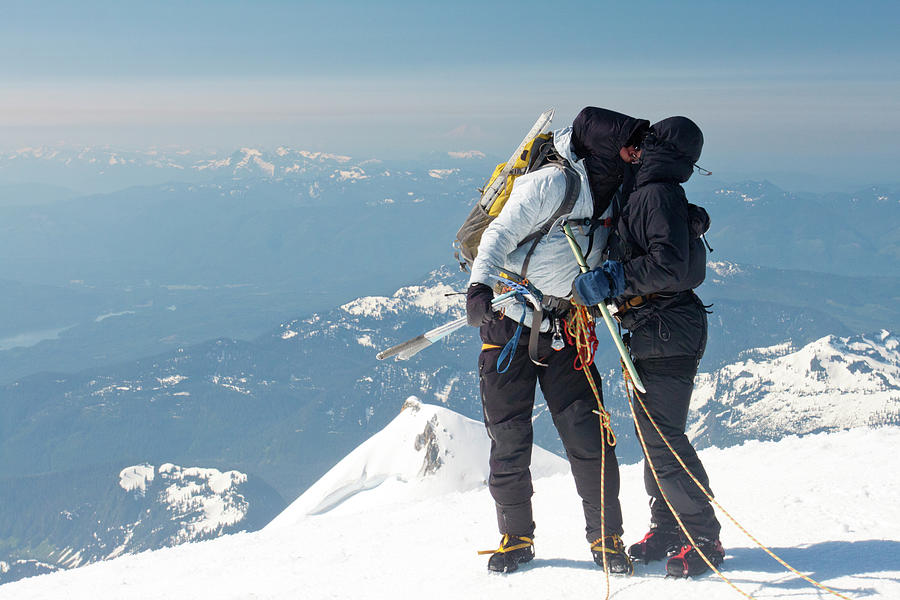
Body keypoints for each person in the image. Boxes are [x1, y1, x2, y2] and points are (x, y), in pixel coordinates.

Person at [466, 107, 649, 573]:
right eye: (630, 144)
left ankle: (607, 539)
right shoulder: (553, 183)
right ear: (606, 146)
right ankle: (515, 536)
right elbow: (499, 234)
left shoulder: (618, 187)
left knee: (590, 436)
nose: (637, 152)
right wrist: (479, 287)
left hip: (568, 325)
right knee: (509, 438)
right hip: (509, 321)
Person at [572, 116, 723, 578]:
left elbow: (671, 265)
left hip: (666, 327)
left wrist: (616, 278)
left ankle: (702, 535)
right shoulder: (650, 190)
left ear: (658, 148)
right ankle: (670, 527)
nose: (638, 147)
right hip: (659, 326)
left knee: (663, 438)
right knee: (655, 436)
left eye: (649, 140)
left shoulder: (654, 192)